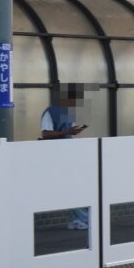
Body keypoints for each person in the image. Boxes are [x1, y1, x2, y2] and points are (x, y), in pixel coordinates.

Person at [41, 84, 89, 230]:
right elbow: (45, 133)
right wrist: (67, 131)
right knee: (73, 186)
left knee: (73, 186)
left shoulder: (68, 112)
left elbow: (66, 131)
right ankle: (81, 219)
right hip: (56, 154)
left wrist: (72, 131)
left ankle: (77, 219)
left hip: (67, 152)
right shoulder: (50, 112)